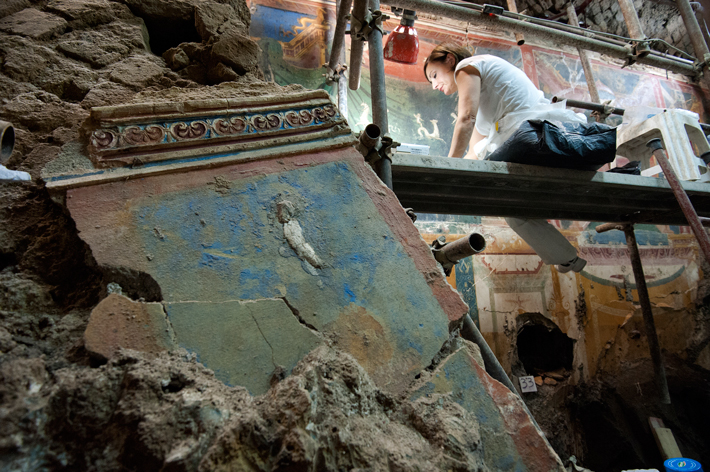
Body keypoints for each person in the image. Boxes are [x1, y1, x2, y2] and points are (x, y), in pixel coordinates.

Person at [424, 43, 586, 273]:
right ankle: (567, 258)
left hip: (534, 133)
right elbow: (474, 151)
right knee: (512, 209)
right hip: (528, 137)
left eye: (434, 75)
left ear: (449, 60)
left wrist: (447, 166)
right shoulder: (484, 101)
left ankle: (565, 256)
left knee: (505, 199)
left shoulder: (465, 67)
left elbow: (465, 119)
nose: (434, 85)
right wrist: (452, 178)